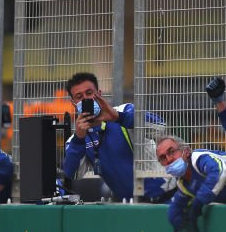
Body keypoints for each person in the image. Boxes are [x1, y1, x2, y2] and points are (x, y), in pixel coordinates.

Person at [62, 71, 173, 202]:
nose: (85, 99)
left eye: (89, 93)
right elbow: (73, 174)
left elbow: (160, 126)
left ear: (99, 94)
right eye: (79, 96)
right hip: (129, 205)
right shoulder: (75, 140)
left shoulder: (124, 110)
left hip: (165, 194)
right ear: (73, 103)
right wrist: (79, 139)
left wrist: (118, 117)